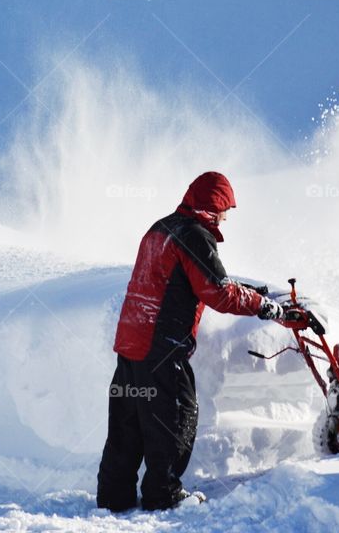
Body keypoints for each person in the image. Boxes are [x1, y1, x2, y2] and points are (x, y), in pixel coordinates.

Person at [96, 171, 282, 512]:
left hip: (130, 342)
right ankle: (163, 494)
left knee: (129, 423)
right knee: (176, 417)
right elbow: (218, 293)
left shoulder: (160, 227)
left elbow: (196, 279)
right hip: (162, 346)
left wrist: (251, 292)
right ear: (214, 207)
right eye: (226, 209)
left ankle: (113, 497)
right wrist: (263, 306)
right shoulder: (194, 235)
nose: (227, 217)